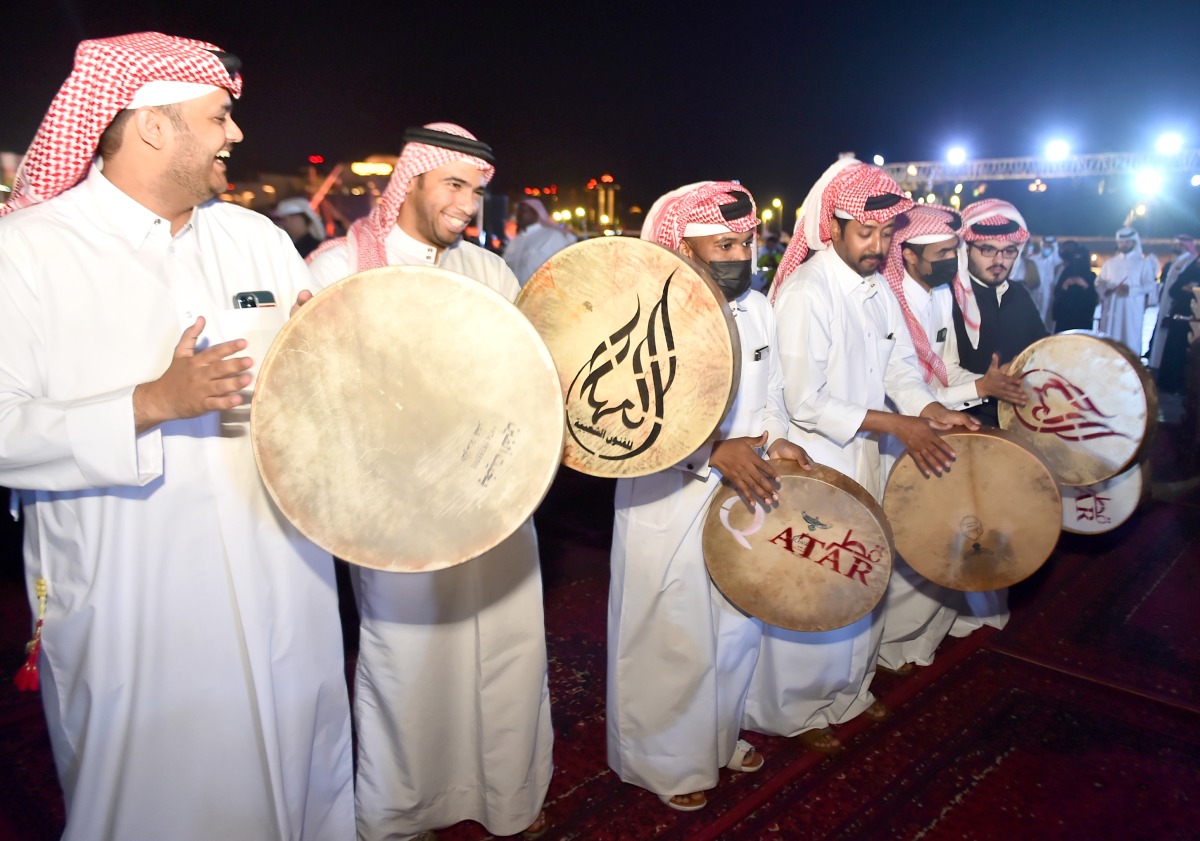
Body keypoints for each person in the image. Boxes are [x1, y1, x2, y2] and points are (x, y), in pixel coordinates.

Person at [0, 32, 354, 841]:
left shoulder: (255, 238)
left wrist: (330, 352)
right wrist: (150, 403)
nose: (235, 134)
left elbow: (313, 378)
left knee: (298, 762)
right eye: (219, 116)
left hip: (281, 570)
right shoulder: (26, 252)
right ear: (154, 126)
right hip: (136, 588)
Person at [307, 123, 552, 841]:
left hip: (496, 497)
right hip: (393, 511)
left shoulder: (491, 273)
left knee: (506, 647)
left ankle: (508, 795)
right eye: (454, 185)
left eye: (476, 191)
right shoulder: (337, 267)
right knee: (405, 658)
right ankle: (400, 814)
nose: (468, 205)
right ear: (409, 179)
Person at [748, 158, 979, 752]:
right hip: (817, 463)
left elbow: (901, 366)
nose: (878, 246)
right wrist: (899, 422)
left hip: (867, 454)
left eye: (885, 234)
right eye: (865, 233)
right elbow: (806, 402)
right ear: (833, 228)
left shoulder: (877, 288)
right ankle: (796, 712)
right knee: (817, 583)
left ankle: (847, 693)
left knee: (861, 576)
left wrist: (930, 411)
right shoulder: (807, 291)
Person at [608, 181, 811, 812]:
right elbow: (621, 418)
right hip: (666, 499)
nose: (739, 254)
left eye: (745, 242)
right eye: (723, 242)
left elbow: (773, 390)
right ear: (682, 246)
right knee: (673, 632)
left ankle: (718, 738)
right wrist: (710, 451)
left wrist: (775, 442)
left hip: (746, 489)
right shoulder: (644, 313)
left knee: (735, 625)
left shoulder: (757, 309)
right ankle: (665, 762)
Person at [876, 205, 1024, 673]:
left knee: (942, 543)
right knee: (907, 546)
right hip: (895, 435)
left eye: (953, 250)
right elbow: (899, 383)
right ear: (909, 255)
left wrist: (984, 384)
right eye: (942, 252)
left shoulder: (942, 294)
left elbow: (944, 370)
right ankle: (888, 650)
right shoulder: (888, 298)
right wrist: (972, 392)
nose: (950, 260)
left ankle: (918, 644)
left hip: (935, 426)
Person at [951, 199, 1050, 426]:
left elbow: (1042, 348)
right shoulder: (947, 296)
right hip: (965, 422)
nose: (999, 261)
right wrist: (987, 384)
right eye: (987, 250)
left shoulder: (1019, 294)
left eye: (1009, 251)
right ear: (966, 248)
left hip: (1021, 418)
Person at [1149, 234, 1200, 393]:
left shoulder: (1190, 261)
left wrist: (1191, 289)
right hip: (1178, 310)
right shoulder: (1186, 263)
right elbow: (1176, 288)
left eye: (1178, 244)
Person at [1096, 227, 1159, 354]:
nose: (1123, 244)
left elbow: (1150, 285)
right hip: (1111, 310)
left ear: (1133, 243)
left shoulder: (1142, 263)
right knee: (1109, 341)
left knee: (1130, 340)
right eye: (1121, 242)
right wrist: (1105, 290)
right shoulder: (1110, 262)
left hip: (1131, 310)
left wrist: (1131, 290)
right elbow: (1099, 282)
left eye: (1126, 242)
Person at [502, 196, 577, 285]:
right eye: (518, 211)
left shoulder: (552, 236)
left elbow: (564, 268)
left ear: (537, 213)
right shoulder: (516, 239)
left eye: (524, 211)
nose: (519, 215)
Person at [1050, 239, 1099, 333]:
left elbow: (1094, 299)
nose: (1078, 261)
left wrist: (1084, 285)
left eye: (1081, 258)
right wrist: (1066, 284)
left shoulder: (1090, 276)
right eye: (1076, 258)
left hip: (1083, 318)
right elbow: (1057, 294)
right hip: (1065, 317)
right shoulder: (1066, 273)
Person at [1028, 235, 1063, 327]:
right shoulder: (1033, 259)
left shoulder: (1057, 262)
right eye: (1045, 245)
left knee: (1046, 318)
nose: (1046, 248)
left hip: (1049, 293)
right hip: (1033, 292)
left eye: (1049, 246)